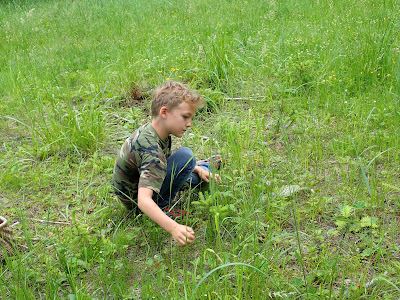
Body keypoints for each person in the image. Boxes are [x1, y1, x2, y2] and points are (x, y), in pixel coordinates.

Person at [112, 81, 222, 247]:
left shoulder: (153, 132)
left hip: (143, 184)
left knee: (195, 176)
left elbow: (161, 165)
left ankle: (200, 167)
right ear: (164, 112)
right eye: (185, 117)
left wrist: (197, 170)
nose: (189, 123)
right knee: (186, 156)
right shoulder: (151, 151)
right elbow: (143, 200)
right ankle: (164, 207)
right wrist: (174, 228)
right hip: (139, 205)